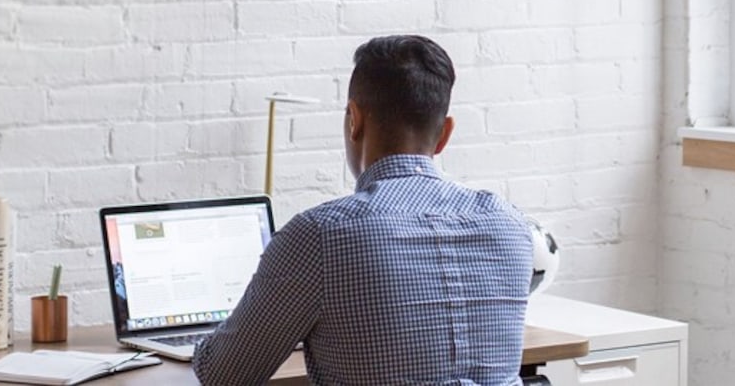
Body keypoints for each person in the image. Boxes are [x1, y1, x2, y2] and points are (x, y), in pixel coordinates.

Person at [192, 34, 535, 386]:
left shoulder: (320, 235)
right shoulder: (512, 226)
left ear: (354, 120)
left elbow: (224, 375)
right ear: (445, 133)